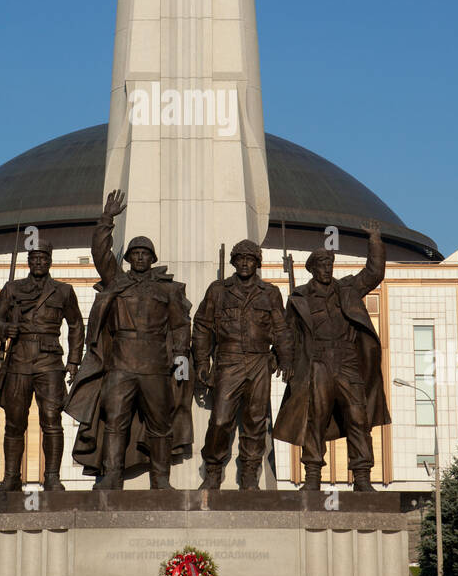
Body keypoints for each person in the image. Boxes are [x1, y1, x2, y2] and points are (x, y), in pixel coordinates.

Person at [64, 190, 192, 489]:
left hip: (156, 365)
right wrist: (107, 219)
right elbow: (99, 253)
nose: (139, 258)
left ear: (152, 258)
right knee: (115, 421)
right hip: (120, 363)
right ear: (129, 258)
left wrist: (181, 354)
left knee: (160, 424)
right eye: (134, 254)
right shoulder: (117, 281)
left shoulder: (168, 290)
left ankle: (161, 480)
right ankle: (111, 476)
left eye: (144, 254)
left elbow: (181, 324)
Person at [273, 220, 389, 492]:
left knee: (358, 417)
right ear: (312, 269)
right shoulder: (299, 297)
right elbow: (287, 334)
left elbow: (374, 273)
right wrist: (286, 362)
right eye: (322, 265)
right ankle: (312, 476)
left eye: (330, 265)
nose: (327, 269)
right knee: (316, 418)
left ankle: (362, 477)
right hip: (317, 363)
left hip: (348, 361)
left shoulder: (347, 289)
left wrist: (374, 240)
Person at [0, 242, 84, 492]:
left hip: (49, 362)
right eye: (34, 258)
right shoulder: (13, 289)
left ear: (50, 261)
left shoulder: (63, 291)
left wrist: (73, 361)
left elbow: (76, 325)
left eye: (43, 258)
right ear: (29, 261)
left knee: (51, 419)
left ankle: (51, 477)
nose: (39, 263)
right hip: (18, 360)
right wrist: (5, 328)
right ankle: (11, 478)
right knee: (15, 422)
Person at [193, 239, 293, 490]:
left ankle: (249, 472)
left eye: (250, 258)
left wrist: (286, 358)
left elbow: (281, 329)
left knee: (255, 420)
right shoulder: (218, 290)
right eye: (240, 258)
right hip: (229, 359)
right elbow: (203, 326)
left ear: (257, 263)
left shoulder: (270, 293)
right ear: (233, 262)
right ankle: (213, 470)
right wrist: (202, 362)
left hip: (260, 360)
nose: (245, 262)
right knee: (220, 420)